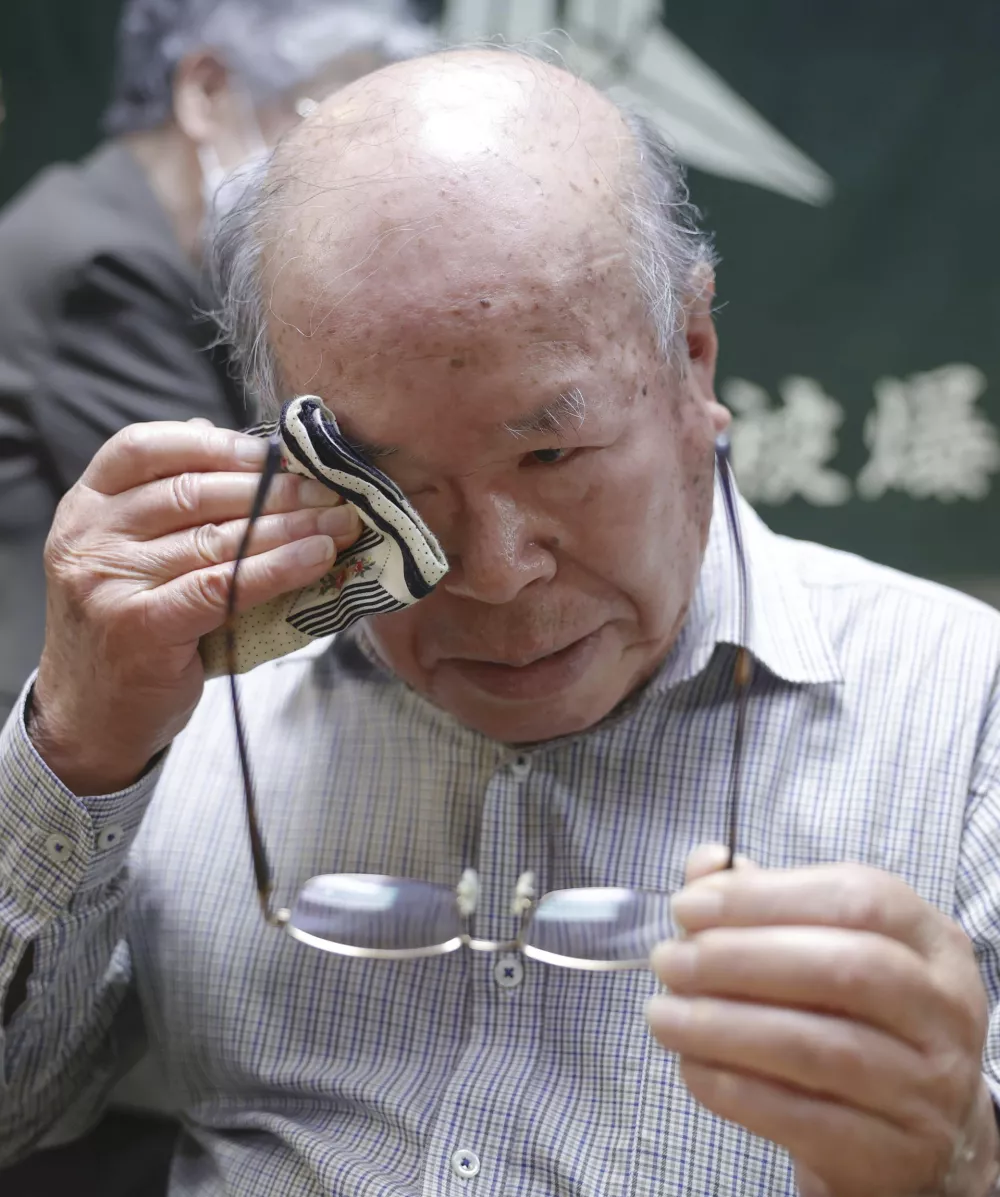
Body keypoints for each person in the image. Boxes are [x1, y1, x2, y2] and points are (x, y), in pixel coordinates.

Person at [1, 47, 999, 1197]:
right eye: (387, 485)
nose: (491, 572)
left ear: (691, 360)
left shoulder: (962, 719)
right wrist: (74, 747)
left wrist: (963, 1158)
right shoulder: (200, 710)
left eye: (551, 454)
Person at [0, 0, 433, 724]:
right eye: (324, 122)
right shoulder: (100, 265)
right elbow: (264, 540)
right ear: (205, 91)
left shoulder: (122, 228)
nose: (357, 177)